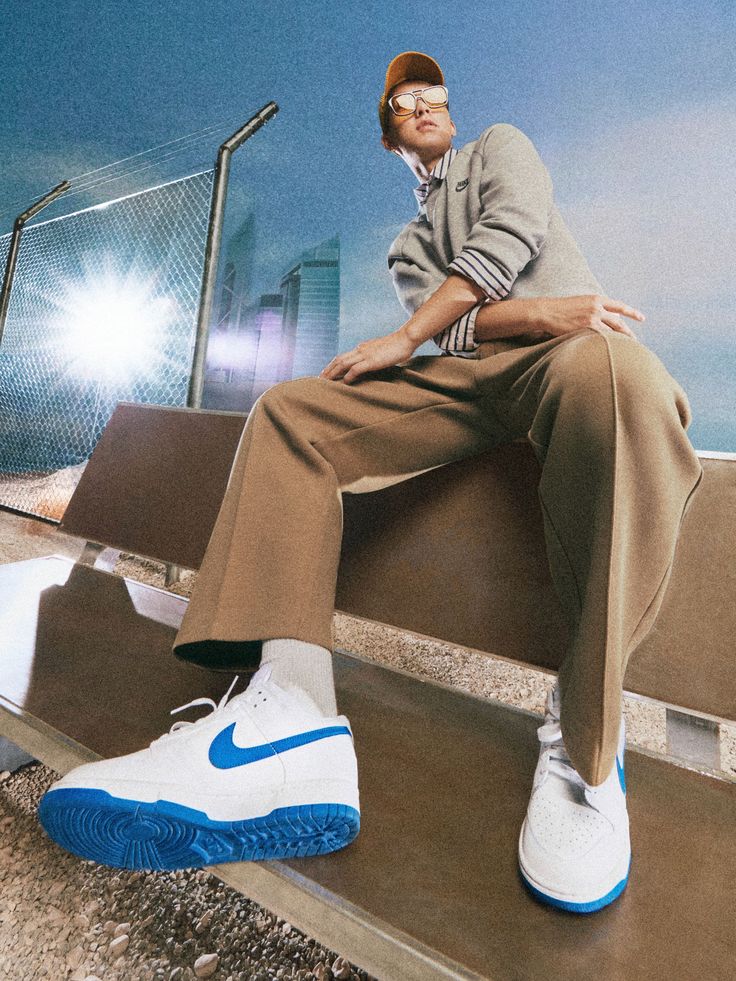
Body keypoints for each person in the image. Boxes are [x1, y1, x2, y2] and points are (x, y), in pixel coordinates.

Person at [38, 51, 702, 914]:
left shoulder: (503, 147)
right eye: (405, 102)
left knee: (626, 378)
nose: (425, 106)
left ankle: (586, 748)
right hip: (476, 378)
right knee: (292, 411)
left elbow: (513, 236)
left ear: (452, 114)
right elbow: (461, 337)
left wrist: (441, 331)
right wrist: (512, 314)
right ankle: (288, 718)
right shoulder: (407, 245)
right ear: (390, 134)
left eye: (434, 96)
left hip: (575, 359)